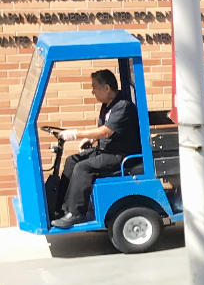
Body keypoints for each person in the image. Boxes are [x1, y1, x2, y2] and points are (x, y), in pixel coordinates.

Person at [50, 69, 141, 229]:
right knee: (72, 161)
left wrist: (76, 134)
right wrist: (91, 138)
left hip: (120, 155)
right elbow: (105, 128)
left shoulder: (123, 107)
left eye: (94, 87)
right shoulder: (108, 106)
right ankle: (60, 208)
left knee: (83, 168)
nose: (92, 92)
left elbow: (106, 131)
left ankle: (76, 213)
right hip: (106, 150)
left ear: (106, 88)